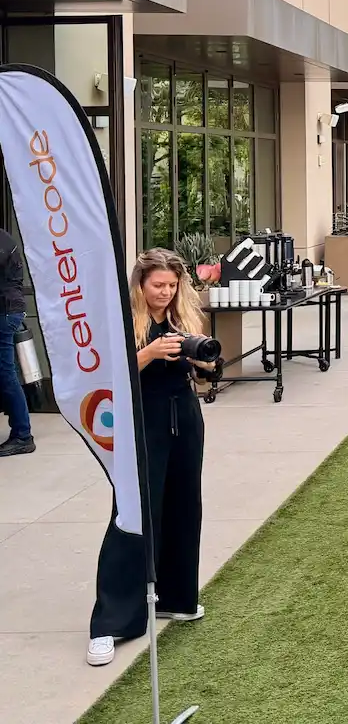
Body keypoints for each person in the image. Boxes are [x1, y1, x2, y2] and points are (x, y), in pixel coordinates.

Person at [88, 250, 213, 667]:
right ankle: (110, 623)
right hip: (141, 423)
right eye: (158, 285)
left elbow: (204, 371)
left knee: (183, 507)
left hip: (185, 420)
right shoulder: (125, 321)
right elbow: (108, 377)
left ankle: (175, 597)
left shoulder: (183, 318)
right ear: (140, 285)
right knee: (134, 512)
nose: (166, 292)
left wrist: (204, 361)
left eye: (172, 286)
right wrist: (150, 353)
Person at [0, 226, 33, 457]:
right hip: (7, 311)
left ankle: (23, 435)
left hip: (5, 313)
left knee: (5, 373)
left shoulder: (2, 240)